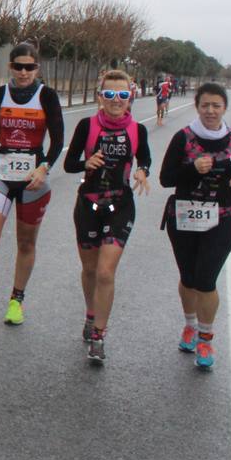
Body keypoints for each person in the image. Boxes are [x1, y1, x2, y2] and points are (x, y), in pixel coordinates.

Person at [0, 43, 65, 331]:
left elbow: (57, 141)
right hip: (0, 175)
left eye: (29, 67)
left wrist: (45, 168)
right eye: (18, 66)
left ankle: (16, 301)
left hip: (33, 179)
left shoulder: (47, 97)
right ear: (10, 67)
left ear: (37, 68)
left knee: (26, 242)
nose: (23, 72)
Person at [159, 82, 231, 370]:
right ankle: (189, 325)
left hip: (222, 217)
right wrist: (190, 168)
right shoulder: (183, 137)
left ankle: (206, 338)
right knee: (188, 277)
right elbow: (165, 178)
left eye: (216, 105)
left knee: (206, 279)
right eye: (205, 105)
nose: (210, 111)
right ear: (197, 107)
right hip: (185, 215)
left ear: (224, 108)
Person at [64, 69, 151, 362]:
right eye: (110, 94)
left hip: (120, 205)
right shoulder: (86, 126)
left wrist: (142, 171)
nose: (116, 100)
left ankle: (99, 335)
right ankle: (91, 314)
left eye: (123, 95)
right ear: (101, 96)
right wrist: (85, 162)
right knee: (89, 270)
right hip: (88, 205)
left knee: (105, 272)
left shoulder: (138, 130)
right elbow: (68, 164)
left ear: (130, 97)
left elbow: (146, 159)